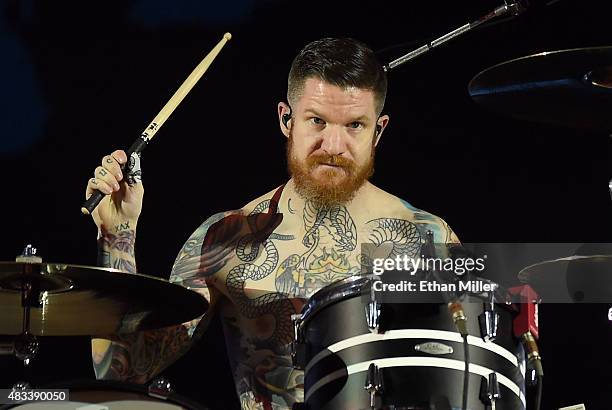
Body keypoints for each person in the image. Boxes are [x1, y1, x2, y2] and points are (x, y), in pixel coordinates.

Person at [85, 37, 459, 410]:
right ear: (286, 119)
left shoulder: (428, 236)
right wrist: (118, 234)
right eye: (317, 121)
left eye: (355, 125)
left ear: (378, 130)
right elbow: (119, 373)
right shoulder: (226, 240)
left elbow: (473, 378)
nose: (333, 144)